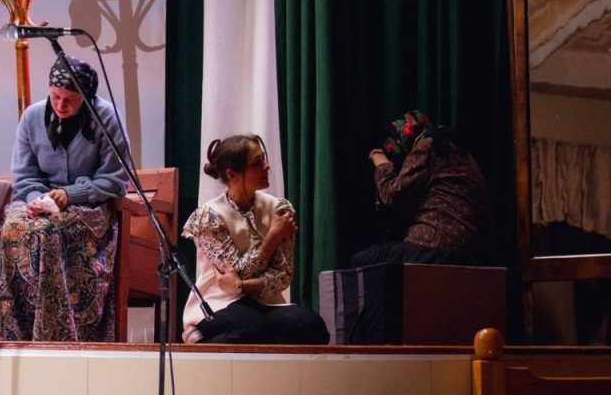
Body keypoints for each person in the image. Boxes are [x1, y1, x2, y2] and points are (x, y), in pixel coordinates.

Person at [0, 55, 131, 341]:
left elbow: (116, 179)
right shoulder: (32, 117)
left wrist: (70, 195)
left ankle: (54, 334)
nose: (61, 105)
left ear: (86, 98)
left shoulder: (106, 117)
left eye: (70, 100)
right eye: (55, 96)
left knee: (49, 230)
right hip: (39, 201)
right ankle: (11, 334)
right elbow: (24, 175)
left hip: (89, 206)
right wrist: (38, 199)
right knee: (13, 227)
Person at [181, 134, 329, 344]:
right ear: (232, 174)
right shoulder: (209, 217)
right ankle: (200, 338)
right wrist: (273, 236)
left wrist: (241, 286)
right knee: (248, 327)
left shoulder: (279, 208)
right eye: (257, 163)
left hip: (268, 304)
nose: (267, 166)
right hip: (220, 303)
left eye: (264, 159)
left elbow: (283, 276)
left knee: (311, 325)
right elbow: (236, 272)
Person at [351, 110, 493, 267]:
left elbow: (392, 194)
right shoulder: (460, 152)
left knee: (362, 260)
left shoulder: (428, 145)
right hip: (470, 252)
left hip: (438, 245)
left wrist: (382, 163)